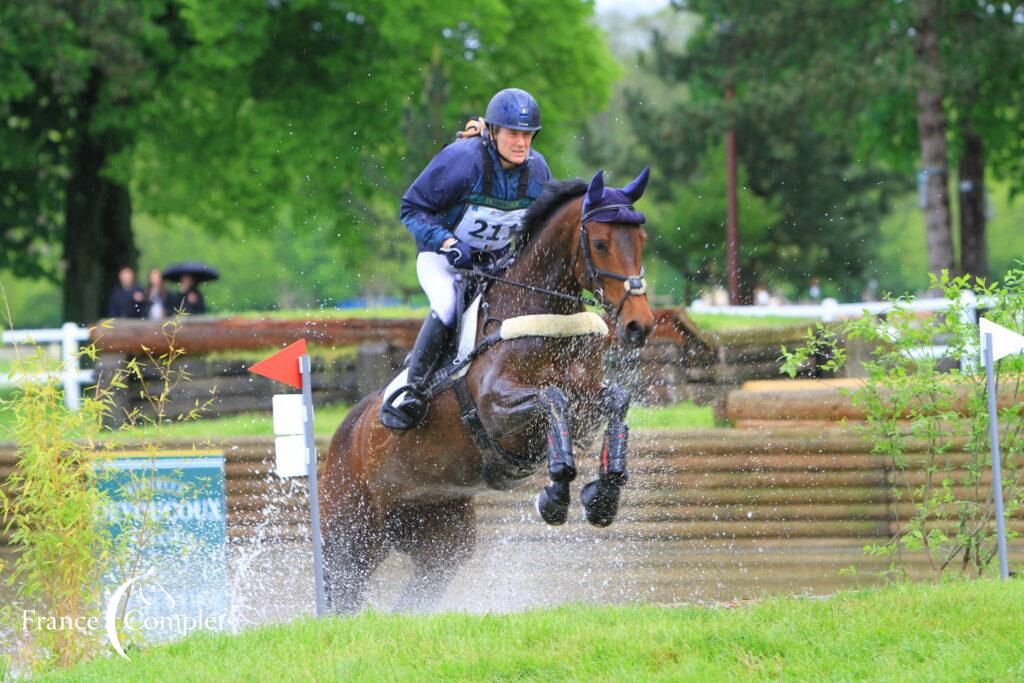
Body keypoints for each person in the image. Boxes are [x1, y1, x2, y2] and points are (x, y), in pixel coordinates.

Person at [379, 87, 554, 430]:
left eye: (528, 136)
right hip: (443, 261)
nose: (521, 143)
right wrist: (446, 240)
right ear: (492, 131)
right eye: (513, 134)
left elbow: (543, 225)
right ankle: (413, 391)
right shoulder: (463, 159)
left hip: (495, 268)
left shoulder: (537, 171)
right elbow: (411, 208)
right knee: (446, 307)